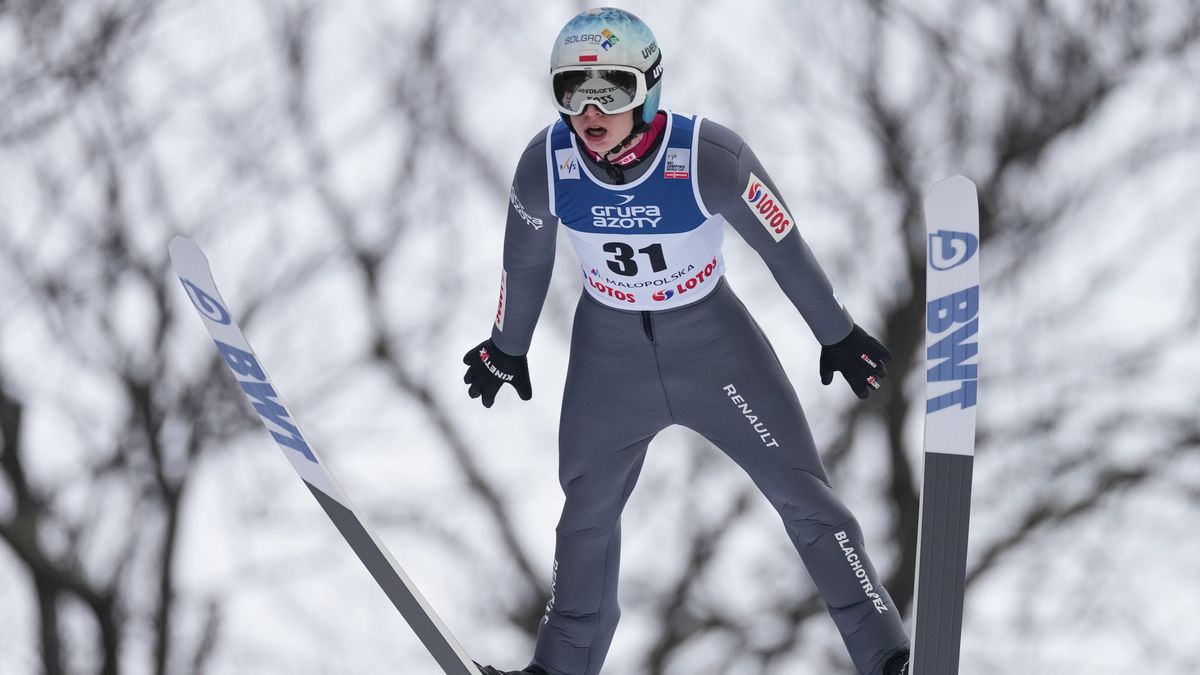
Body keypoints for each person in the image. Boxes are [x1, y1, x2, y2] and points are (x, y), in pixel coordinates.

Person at [462, 8, 910, 675]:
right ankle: (558, 668)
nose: (589, 110)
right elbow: (523, 261)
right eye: (570, 91)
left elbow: (782, 245)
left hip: (714, 348)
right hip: (610, 359)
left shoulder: (708, 159)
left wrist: (837, 333)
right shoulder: (547, 165)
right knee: (585, 514)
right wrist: (507, 344)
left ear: (648, 89)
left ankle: (886, 656)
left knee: (804, 495)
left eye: (610, 89)